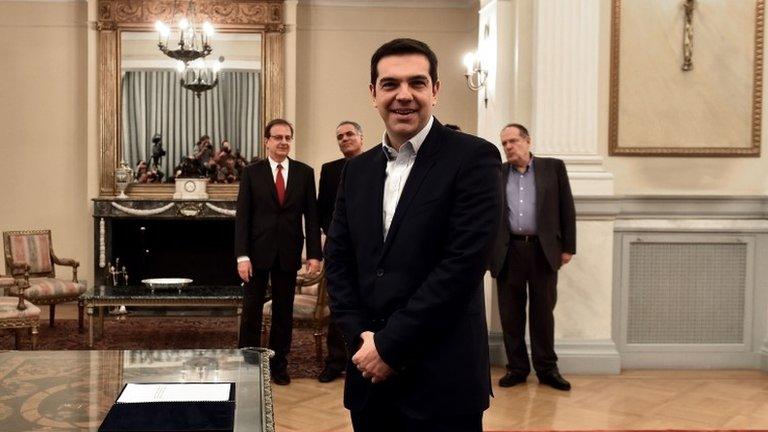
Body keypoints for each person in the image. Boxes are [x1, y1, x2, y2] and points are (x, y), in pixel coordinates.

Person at [324, 38, 501, 432]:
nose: (404, 96)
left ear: (435, 90)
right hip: (368, 374)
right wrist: (362, 340)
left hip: (442, 377)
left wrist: (389, 346)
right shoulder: (355, 172)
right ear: (373, 94)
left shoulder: (475, 158)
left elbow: (461, 268)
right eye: (390, 84)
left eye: (417, 83)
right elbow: (338, 263)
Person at [488, 123, 576, 391]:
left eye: (513, 141)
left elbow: (566, 208)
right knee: (511, 315)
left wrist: (568, 247)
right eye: (504, 144)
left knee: (542, 314)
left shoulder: (553, 168)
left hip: (543, 251)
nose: (508, 147)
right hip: (508, 251)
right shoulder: (497, 173)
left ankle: (547, 369)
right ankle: (516, 368)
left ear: (528, 141)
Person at [235, 118, 322, 385]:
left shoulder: (304, 173)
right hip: (256, 254)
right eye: (278, 137)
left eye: (287, 137)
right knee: (251, 311)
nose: (283, 142)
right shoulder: (252, 172)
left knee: (283, 313)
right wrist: (242, 256)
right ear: (267, 141)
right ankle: (248, 366)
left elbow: (312, 216)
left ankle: (279, 366)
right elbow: (243, 217)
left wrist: (315, 255)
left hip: (288, 253)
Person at [316, 120, 365, 383]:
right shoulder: (330, 170)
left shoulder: (378, 163)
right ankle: (334, 362)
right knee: (338, 308)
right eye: (340, 136)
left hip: (371, 251)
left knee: (370, 305)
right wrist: (334, 235)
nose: (345, 139)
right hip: (340, 250)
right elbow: (322, 210)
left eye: (349, 134)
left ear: (361, 137)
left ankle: (363, 358)